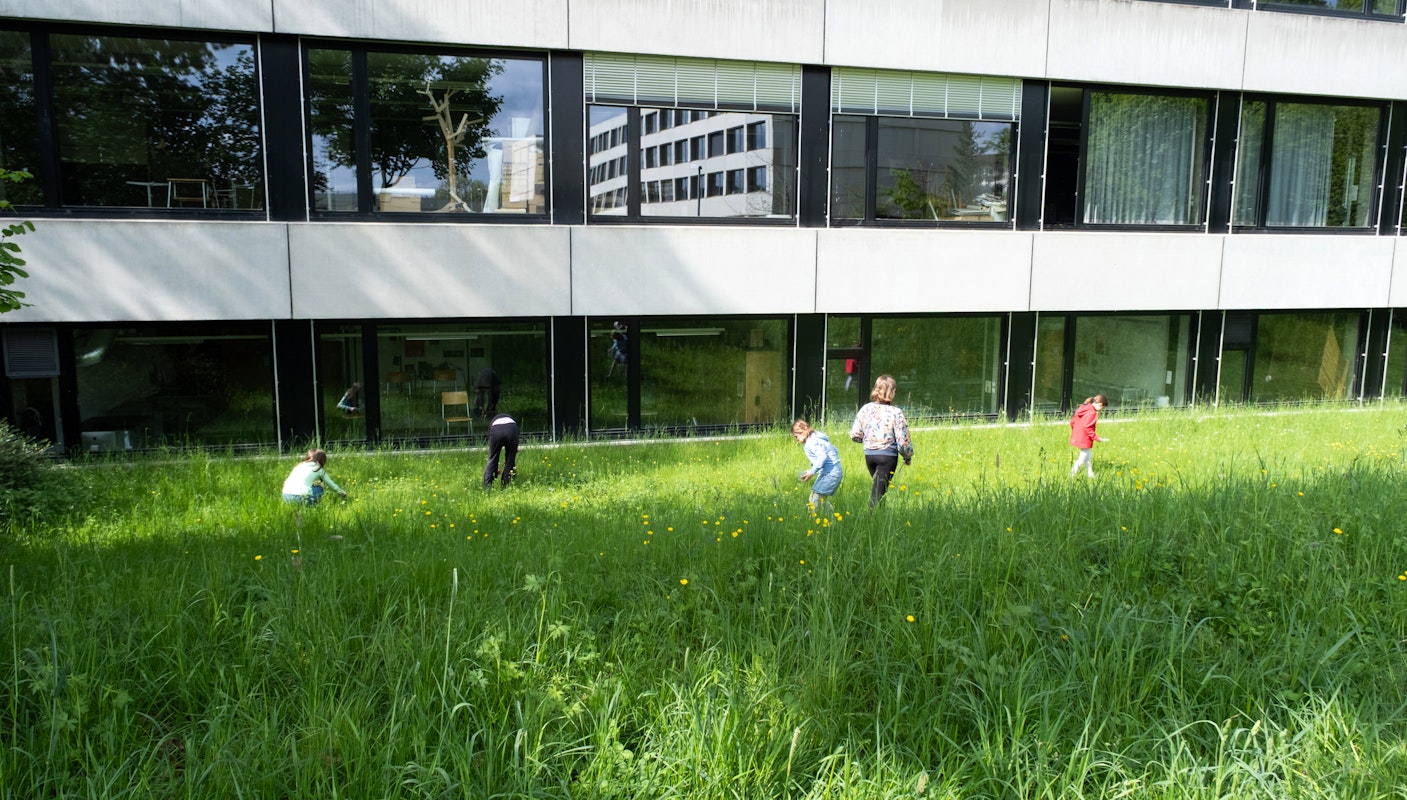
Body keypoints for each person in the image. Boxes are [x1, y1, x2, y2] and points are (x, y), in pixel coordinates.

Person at [850, 374, 914, 508]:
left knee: (879, 490)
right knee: (877, 495)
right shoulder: (896, 412)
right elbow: (903, 440)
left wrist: (869, 440)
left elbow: (855, 434)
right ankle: (869, 520)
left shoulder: (865, 409)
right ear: (892, 392)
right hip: (887, 457)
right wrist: (907, 456)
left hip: (870, 456)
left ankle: (880, 517)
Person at [792, 419, 843, 515]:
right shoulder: (818, 438)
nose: (796, 439)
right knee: (822, 498)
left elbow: (823, 456)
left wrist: (812, 471)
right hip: (835, 471)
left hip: (830, 474)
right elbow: (834, 451)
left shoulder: (811, 442)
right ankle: (832, 518)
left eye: (796, 436)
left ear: (801, 432)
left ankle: (813, 519)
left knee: (814, 497)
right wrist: (813, 469)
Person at [282, 449, 347, 506]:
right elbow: (330, 484)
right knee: (320, 488)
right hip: (302, 498)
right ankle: (312, 505)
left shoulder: (299, 465)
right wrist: (342, 492)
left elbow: (287, 481)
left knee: (312, 487)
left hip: (286, 496)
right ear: (322, 460)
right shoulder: (318, 468)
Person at [1069, 394, 1109, 478]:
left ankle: (1090, 474)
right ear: (1100, 404)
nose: (1102, 409)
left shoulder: (1083, 408)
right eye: (1103, 407)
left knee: (1088, 456)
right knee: (1083, 457)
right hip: (1085, 438)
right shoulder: (1092, 413)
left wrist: (1076, 431)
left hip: (1078, 435)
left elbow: (1072, 422)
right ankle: (1072, 474)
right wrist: (1097, 438)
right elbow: (1088, 427)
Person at [483, 413, 520, 489]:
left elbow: (492, 451)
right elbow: (514, 449)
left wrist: (495, 469)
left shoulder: (492, 423)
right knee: (510, 460)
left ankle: (487, 487)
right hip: (512, 428)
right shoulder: (513, 422)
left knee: (492, 459)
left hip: (496, 429)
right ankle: (506, 486)